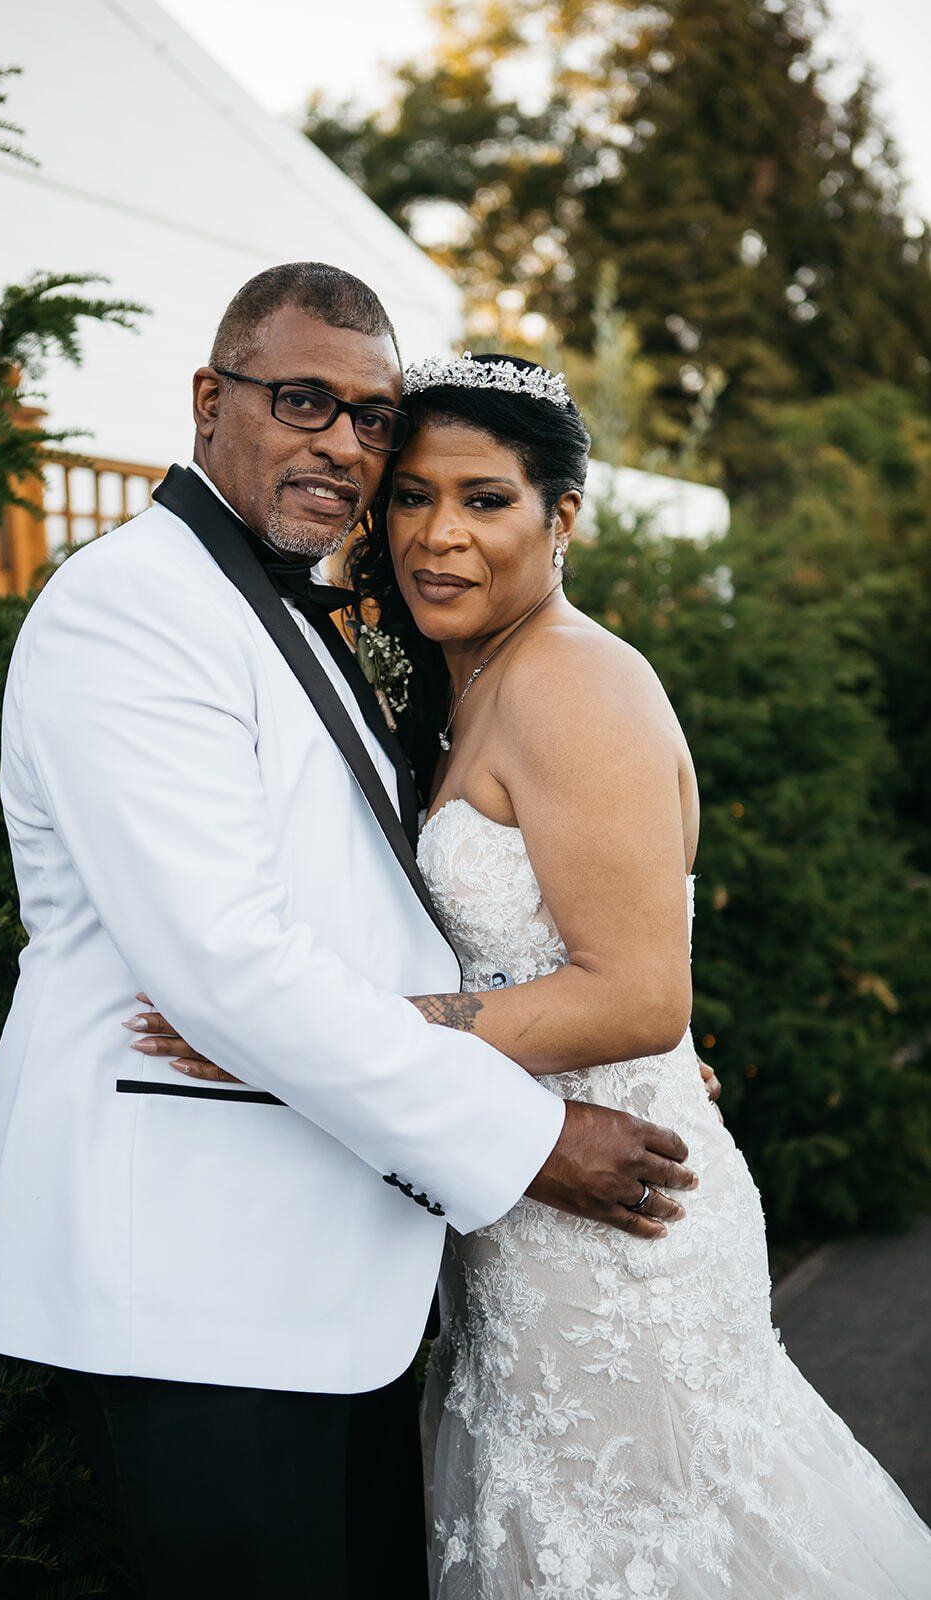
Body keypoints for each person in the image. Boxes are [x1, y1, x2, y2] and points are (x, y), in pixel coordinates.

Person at [0, 266, 701, 1600]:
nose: (345, 448)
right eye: (304, 402)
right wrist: (525, 1133)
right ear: (208, 399)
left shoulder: (293, 606)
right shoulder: (136, 607)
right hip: (198, 1285)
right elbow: (228, 964)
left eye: (371, 420)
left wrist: (601, 1031)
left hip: (320, 1282)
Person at [149, 349, 931, 1596]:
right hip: (515, 1211)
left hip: (616, 1230)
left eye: (483, 500)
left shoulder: (575, 681)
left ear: (562, 515)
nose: (434, 536)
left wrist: (300, 1030)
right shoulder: (471, 686)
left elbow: (637, 996)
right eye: (408, 497)